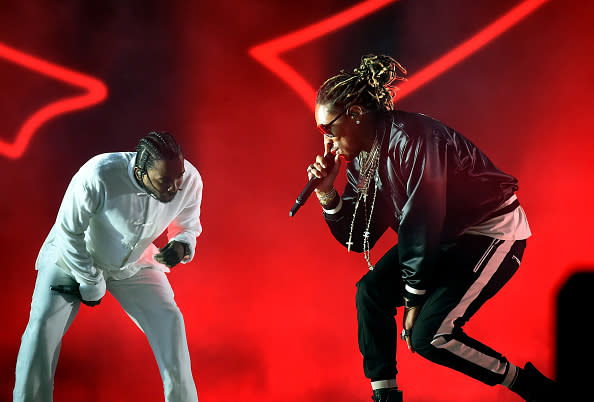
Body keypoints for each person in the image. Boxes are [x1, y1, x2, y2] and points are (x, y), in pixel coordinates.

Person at [306, 54, 557, 401]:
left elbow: (421, 220)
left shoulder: (413, 138)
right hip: (441, 238)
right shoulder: (365, 156)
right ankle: (386, 397)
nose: (326, 142)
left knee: (429, 336)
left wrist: (413, 302)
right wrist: (327, 193)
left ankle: (532, 388)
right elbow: (358, 234)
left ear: (355, 115)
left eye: (327, 128)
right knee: (370, 293)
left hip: (490, 232)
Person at [14, 131, 202, 402]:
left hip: (136, 262)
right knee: (42, 329)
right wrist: (90, 282)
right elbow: (69, 233)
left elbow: (187, 224)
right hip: (71, 257)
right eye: (165, 181)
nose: (175, 188)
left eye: (178, 177)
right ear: (140, 170)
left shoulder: (190, 180)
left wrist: (182, 244)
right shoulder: (97, 174)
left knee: (170, 321)